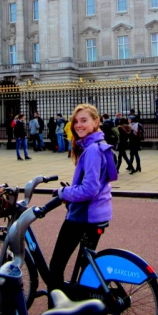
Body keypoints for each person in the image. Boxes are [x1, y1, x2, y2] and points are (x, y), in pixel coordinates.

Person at [48, 103, 117, 291]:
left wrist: (64, 192)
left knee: (56, 267)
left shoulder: (92, 150)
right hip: (99, 213)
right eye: (76, 121)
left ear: (96, 122)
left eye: (84, 121)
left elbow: (89, 190)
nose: (78, 125)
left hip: (83, 216)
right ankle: (86, 301)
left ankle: (55, 309)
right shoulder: (99, 145)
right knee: (85, 267)